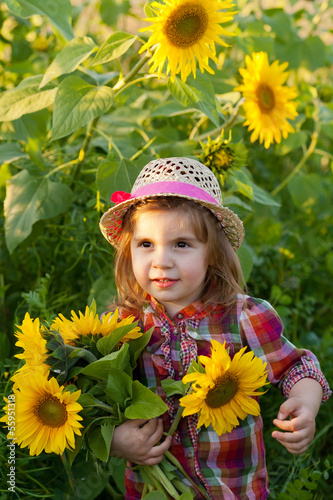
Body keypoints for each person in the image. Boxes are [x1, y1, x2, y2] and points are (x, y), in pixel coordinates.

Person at [99, 157, 331, 499]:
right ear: (128, 251)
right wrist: (118, 440)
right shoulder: (123, 327)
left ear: (212, 254)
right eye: (146, 244)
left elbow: (297, 367)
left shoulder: (243, 316)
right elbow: (97, 404)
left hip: (233, 486)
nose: (161, 260)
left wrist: (304, 405)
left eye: (182, 244)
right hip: (156, 488)